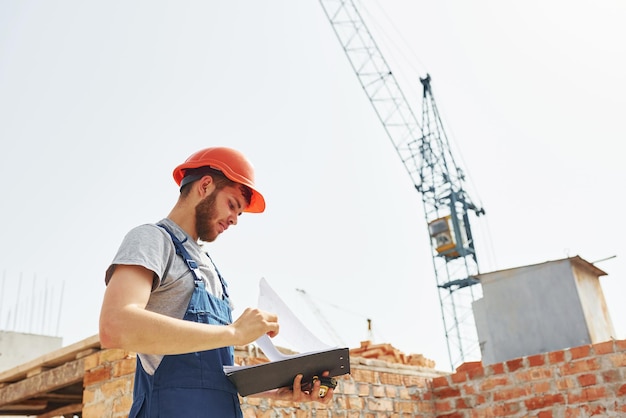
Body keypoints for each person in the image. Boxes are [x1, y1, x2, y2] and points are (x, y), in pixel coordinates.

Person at [99, 146, 334, 417]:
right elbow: (115, 326)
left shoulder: (213, 272)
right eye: (232, 204)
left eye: (239, 213)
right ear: (206, 186)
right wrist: (234, 333)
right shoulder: (153, 240)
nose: (234, 219)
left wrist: (277, 388)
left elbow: (208, 374)